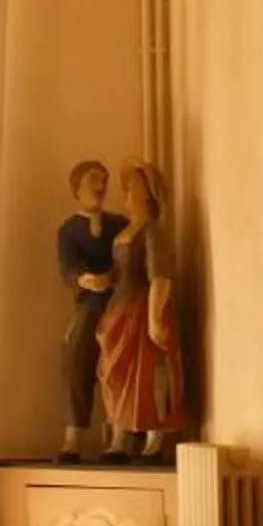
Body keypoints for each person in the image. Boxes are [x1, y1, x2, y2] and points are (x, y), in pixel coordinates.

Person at [96, 160, 186, 460]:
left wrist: (154, 317)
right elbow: (120, 271)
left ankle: (153, 436)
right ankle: (121, 434)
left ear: (147, 194)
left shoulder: (152, 232)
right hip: (118, 311)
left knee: (148, 375)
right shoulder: (126, 231)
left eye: (132, 187)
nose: (127, 194)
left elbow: (159, 275)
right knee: (115, 374)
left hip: (141, 310)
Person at [57, 159, 126, 462]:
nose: (99, 188)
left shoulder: (119, 224)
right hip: (89, 303)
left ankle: (118, 435)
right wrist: (87, 279)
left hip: (120, 302)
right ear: (77, 189)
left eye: (103, 181)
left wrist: (112, 277)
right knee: (77, 359)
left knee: (120, 364)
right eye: (92, 181)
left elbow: (127, 259)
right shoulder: (69, 230)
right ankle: (74, 434)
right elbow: (68, 269)